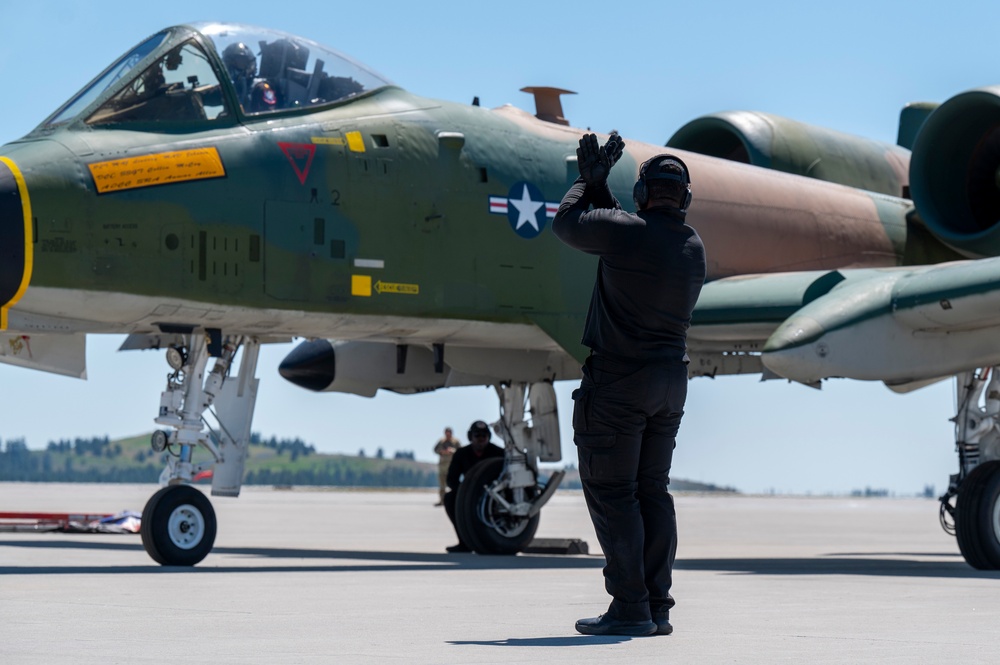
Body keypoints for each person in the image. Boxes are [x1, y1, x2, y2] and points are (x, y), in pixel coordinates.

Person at [552, 133, 707, 637]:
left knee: (614, 493)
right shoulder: (691, 246)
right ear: (683, 200)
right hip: (669, 384)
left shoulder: (631, 233)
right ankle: (656, 607)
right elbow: (623, 235)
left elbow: (568, 225)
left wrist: (586, 182)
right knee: (652, 491)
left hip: (620, 383)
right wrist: (602, 192)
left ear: (642, 196)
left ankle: (629, 606)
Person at [442, 420, 504, 553]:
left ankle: (499, 539)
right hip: (470, 494)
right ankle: (464, 541)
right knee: (450, 499)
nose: (481, 439)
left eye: (484, 436)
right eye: (477, 436)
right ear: (471, 437)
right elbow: (451, 479)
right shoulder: (461, 454)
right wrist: (464, 493)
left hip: (493, 497)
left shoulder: (499, 453)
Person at [433, 427, 462, 505]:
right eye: (446, 433)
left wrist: (452, 451)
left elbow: (461, 451)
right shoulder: (441, 441)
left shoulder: (455, 442)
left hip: (452, 466)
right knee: (442, 485)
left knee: (453, 484)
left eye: (449, 433)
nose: (447, 434)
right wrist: (442, 451)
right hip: (442, 466)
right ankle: (442, 500)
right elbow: (435, 449)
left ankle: (455, 501)